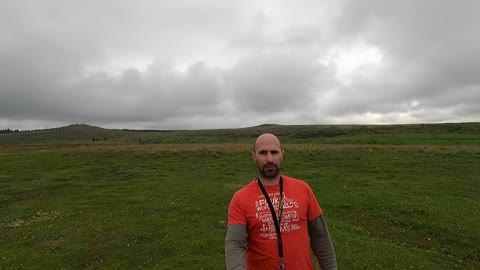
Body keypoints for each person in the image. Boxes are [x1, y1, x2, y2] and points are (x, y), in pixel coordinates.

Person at [225, 133, 337, 270]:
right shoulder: (240, 198)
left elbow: (321, 237)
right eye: (263, 153)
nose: (269, 159)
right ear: (253, 156)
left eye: (274, 152)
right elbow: (235, 245)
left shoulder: (303, 189)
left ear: (282, 154)